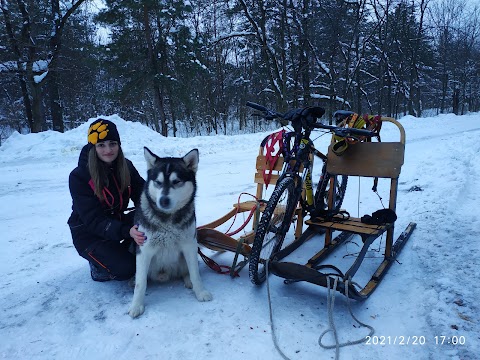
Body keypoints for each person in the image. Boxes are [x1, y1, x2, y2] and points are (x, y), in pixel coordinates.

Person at [68, 119, 146, 282]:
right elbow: (94, 220)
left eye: (112, 143)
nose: (108, 150)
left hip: (115, 221)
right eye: (101, 145)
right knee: (128, 268)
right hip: (89, 233)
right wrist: (128, 231)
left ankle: (125, 248)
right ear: (93, 147)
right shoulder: (79, 177)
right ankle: (98, 266)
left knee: (150, 219)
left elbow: (143, 195)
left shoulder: (126, 166)